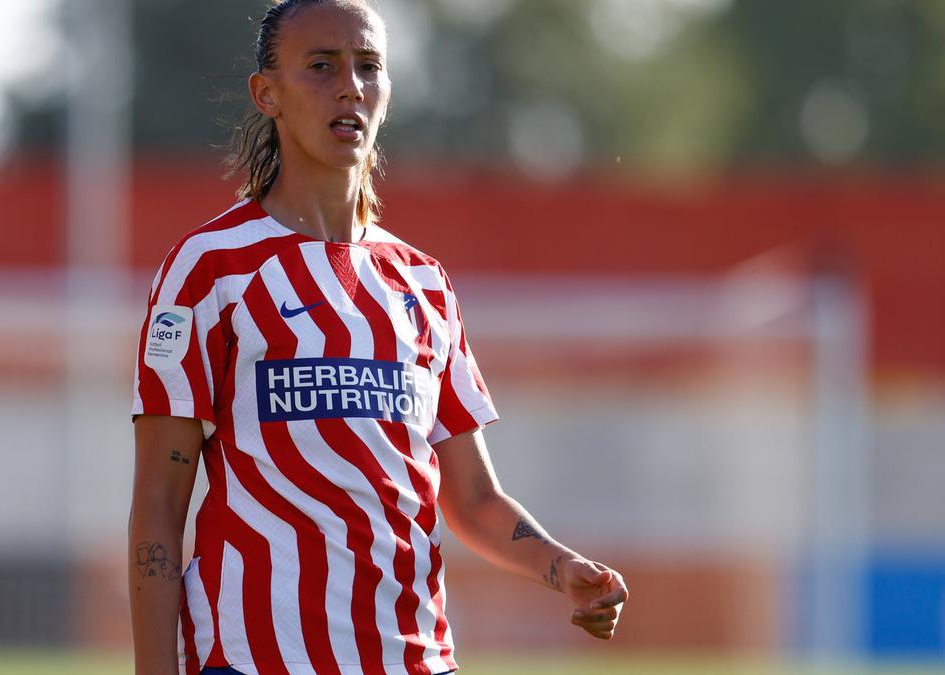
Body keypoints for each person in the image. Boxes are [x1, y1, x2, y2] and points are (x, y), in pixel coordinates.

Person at [128, 1, 629, 673]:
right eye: (321, 66)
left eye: (368, 67)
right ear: (266, 93)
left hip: (416, 661)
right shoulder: (210, 267)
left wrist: (559, 565)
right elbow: (160, 503)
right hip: (255, 660)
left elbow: (473, 498)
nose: (349, 86)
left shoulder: (423, 282)